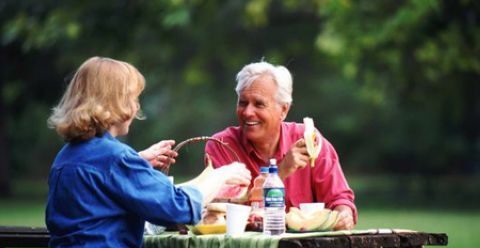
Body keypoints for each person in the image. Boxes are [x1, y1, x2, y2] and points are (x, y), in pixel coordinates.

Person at [45, 56, 251, 247]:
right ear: (116, 102)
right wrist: (222, 174)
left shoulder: (65, 157)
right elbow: (179, 209)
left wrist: (137, 161)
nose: (136, 108)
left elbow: (101, 189)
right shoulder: (116, 159)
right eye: (134, 99)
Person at [205, 61, 357, 230]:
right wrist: (281, 171)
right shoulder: (221, 146)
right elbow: (224, 210)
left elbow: (339, 199)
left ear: (283, 110)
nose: (247, 112)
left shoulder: (309, 141)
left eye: (259, 104)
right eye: (243, 102)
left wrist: (344, 215)